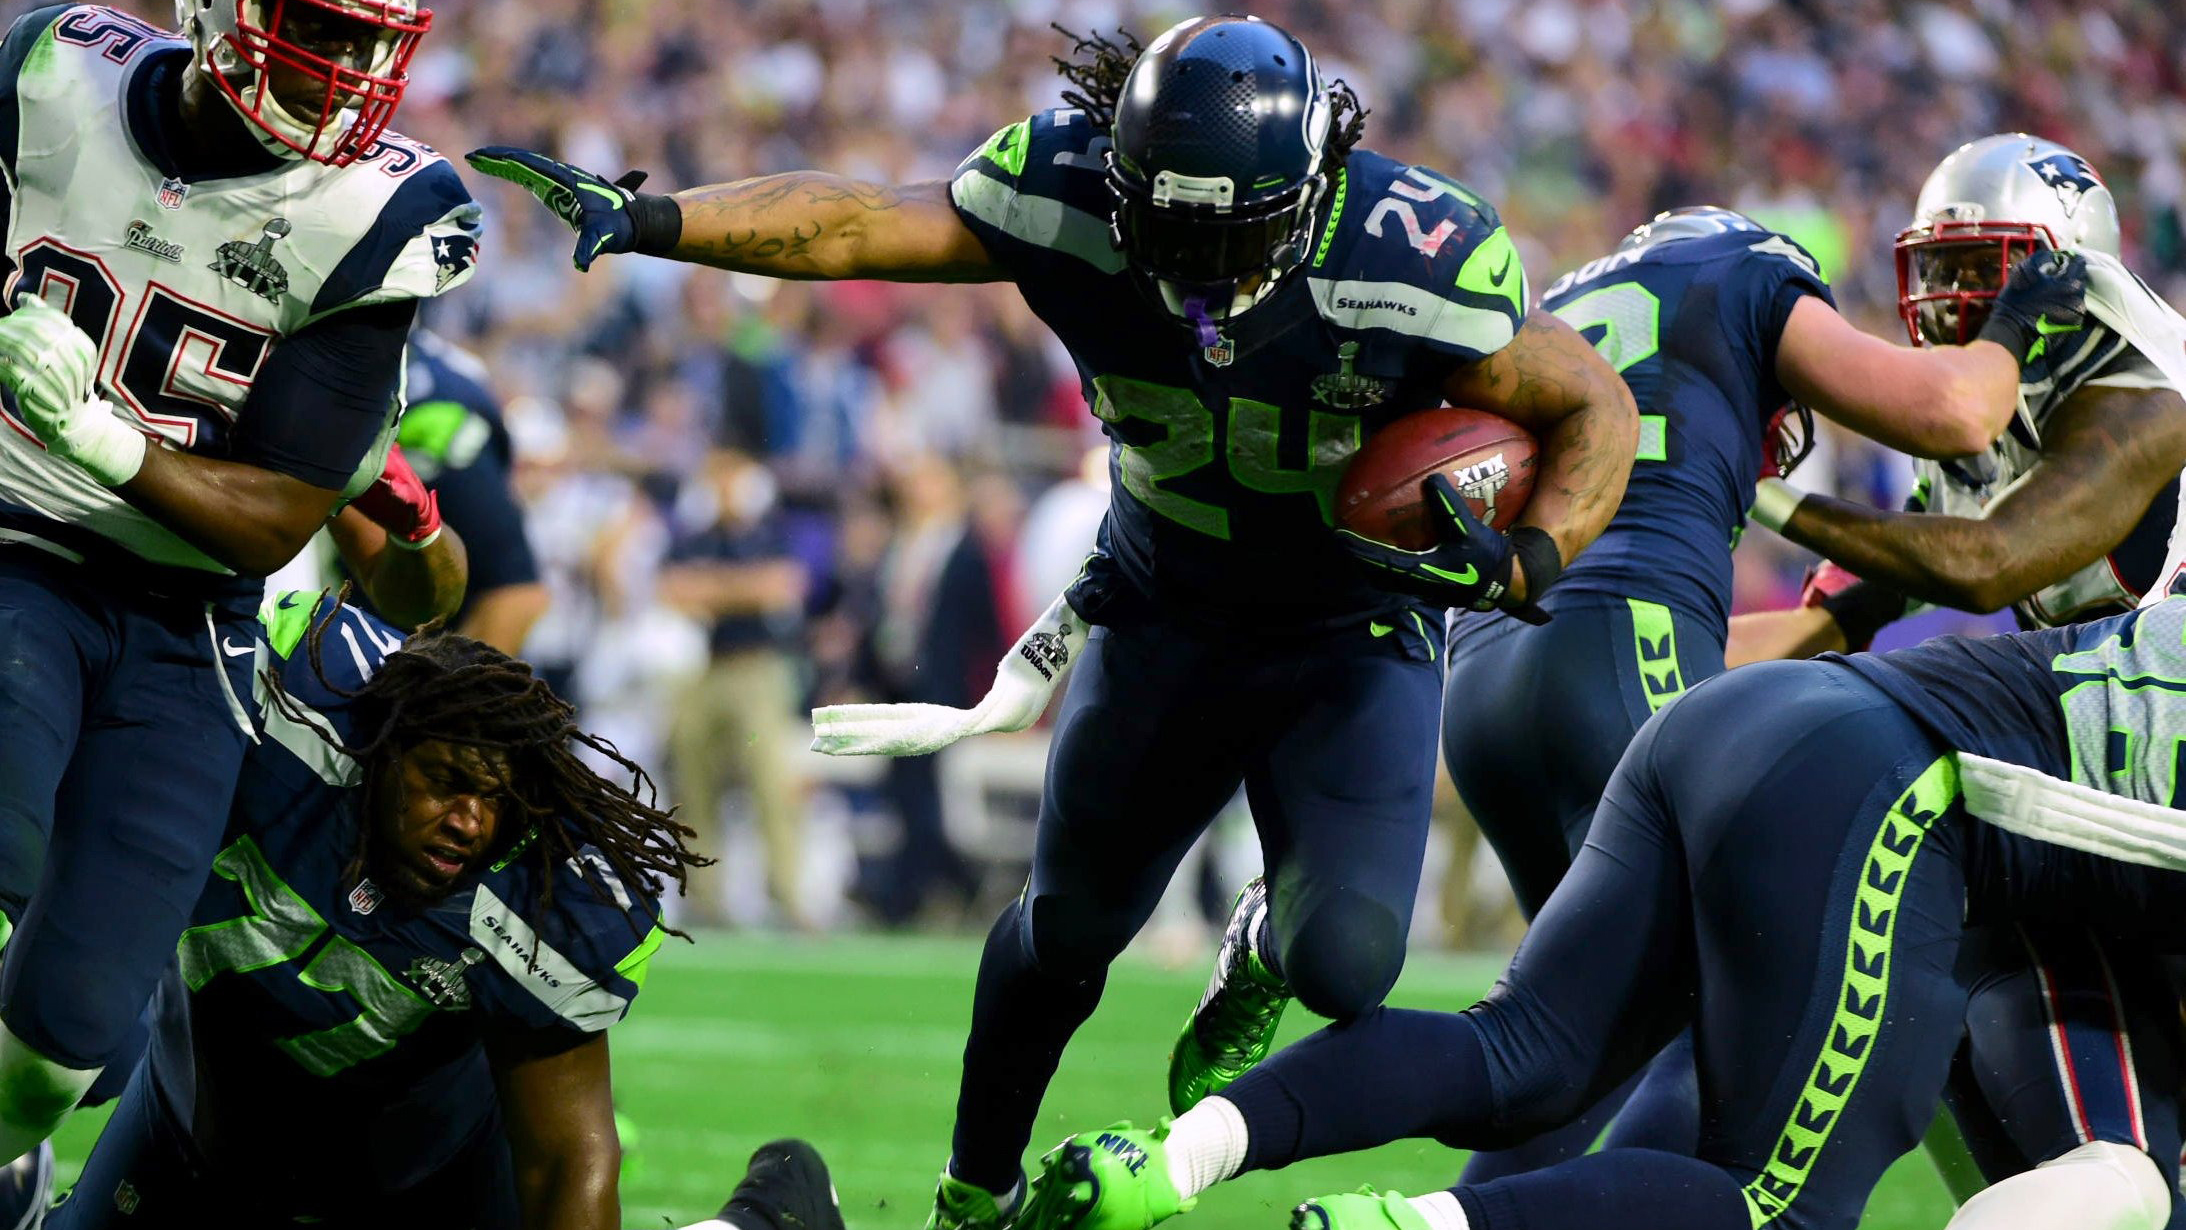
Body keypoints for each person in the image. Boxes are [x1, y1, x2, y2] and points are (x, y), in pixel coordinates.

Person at [470, 17, 1641, 1227]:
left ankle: (1255, 948)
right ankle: (976, 1187)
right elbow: (859, 220)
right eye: (1165, 222)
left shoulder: (1410, 251)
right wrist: (659, 219)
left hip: (1348, 634)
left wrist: (1530, 556)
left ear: (1302, 198)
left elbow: (1590, 404)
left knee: (1348, 966)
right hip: (1162, 608)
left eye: (1222, 231)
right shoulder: (1065, 183)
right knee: (1068, 928)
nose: (1190, 260)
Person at [1014, 594, 2186, 1230]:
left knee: (1516, 1050)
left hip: (1750, 716)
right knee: (1765, 1205)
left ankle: (1164, 1162)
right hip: (1888, 788)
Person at [1436, 204, 2085, 1181]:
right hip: (1623, 641)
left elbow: (1767, 642)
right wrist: (2014, 320)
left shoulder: (1565, 298)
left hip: (1488, 674)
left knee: (1578, 1034)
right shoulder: (1744, 268)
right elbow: (1953, 411)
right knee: (1722, 1021)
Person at [0, 0, 479, 1165]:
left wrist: (100, 435)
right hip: (15, 542)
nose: (346, 67)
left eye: (373, 40)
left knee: (64, 1047)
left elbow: (276, 526)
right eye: (322, 22)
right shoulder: (51, 69)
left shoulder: (380, 216)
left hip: (186, 623)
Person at [1723, 134, 2186, 1222]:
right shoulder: (1977, 433)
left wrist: (1753, 493)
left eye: (1979, 265)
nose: (1944, 296)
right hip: (2113, 785)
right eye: (1932, 267)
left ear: (2062, 272)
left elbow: (1983, 568)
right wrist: (1631, 638)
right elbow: (1815, 630)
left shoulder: (2143, 398)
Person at [49, 592, 709, 1228]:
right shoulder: (277, 737)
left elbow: (569, 1158)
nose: (469, 822)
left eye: (495, 800)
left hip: (427, 1188)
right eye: (446, 782)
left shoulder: (535, 893)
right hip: (192, 1139)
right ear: (383, 753)